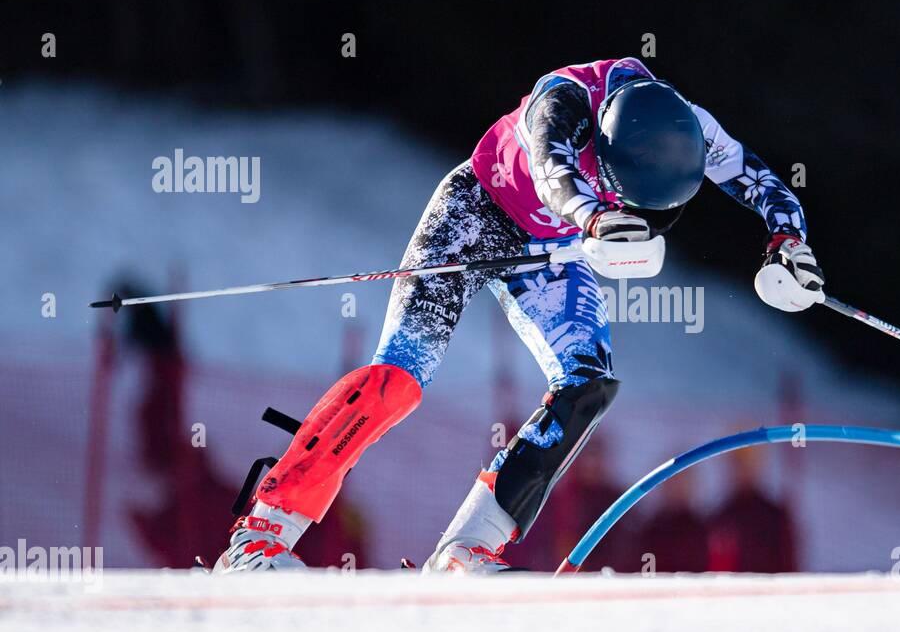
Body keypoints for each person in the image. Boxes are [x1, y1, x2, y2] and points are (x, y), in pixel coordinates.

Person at [214, 57, 824, 573]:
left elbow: (758, 177)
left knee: (588, 384)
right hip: (475, 215)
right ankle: (262, 533)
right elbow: (551, 169)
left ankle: (467, 548)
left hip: (549, 249)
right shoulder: (564, 101)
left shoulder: (684, 126)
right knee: (398, 379)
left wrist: (788, 243)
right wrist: (594, 217)